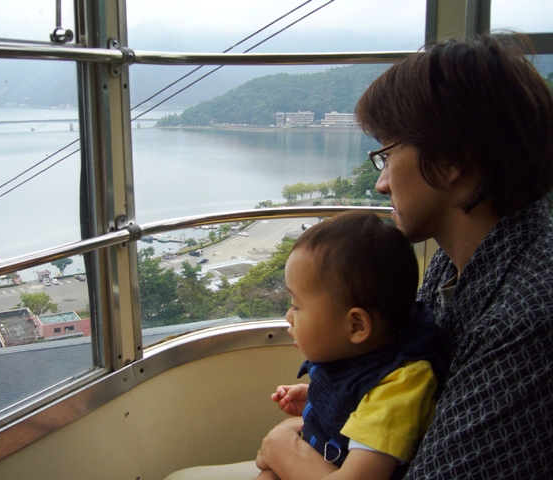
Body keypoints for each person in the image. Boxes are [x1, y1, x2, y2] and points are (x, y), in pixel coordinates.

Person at [166, 32, 553, 479]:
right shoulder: (460, 262)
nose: (381, 183)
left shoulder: (529, 317)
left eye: (387, 154)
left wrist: (283, 450)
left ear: (454, 160)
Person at [256, 211, 446, 480]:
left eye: (296, 306)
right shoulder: (365, 354)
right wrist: (317, 398)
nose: (288, 316)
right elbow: (362, 404)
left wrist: (279, 451)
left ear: (356, 326)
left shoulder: (400, 388)